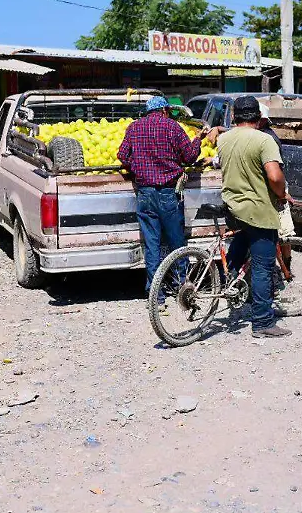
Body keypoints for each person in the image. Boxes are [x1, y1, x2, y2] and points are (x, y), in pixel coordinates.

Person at [217, 96, 292, 338]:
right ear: (259, 117)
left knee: (240, 244)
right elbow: (275, 176)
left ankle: (230, 283)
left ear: (233, 117)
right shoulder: (264, 140)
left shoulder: (224, 139)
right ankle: (262, 322)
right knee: (262, 267)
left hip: (232, 208)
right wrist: (282, 194)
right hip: (258, 211)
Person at [117, 96, 207, 300]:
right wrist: (198, 140)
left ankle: (156, 295)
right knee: (177, 242)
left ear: (148, 111)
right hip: (168, 193)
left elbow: (122, 155)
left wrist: (135, 168)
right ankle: (182, 287)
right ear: (165, 110)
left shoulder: (134, 128)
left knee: (152, 245)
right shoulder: (173, 127)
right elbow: (190, 157)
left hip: (145, 193)